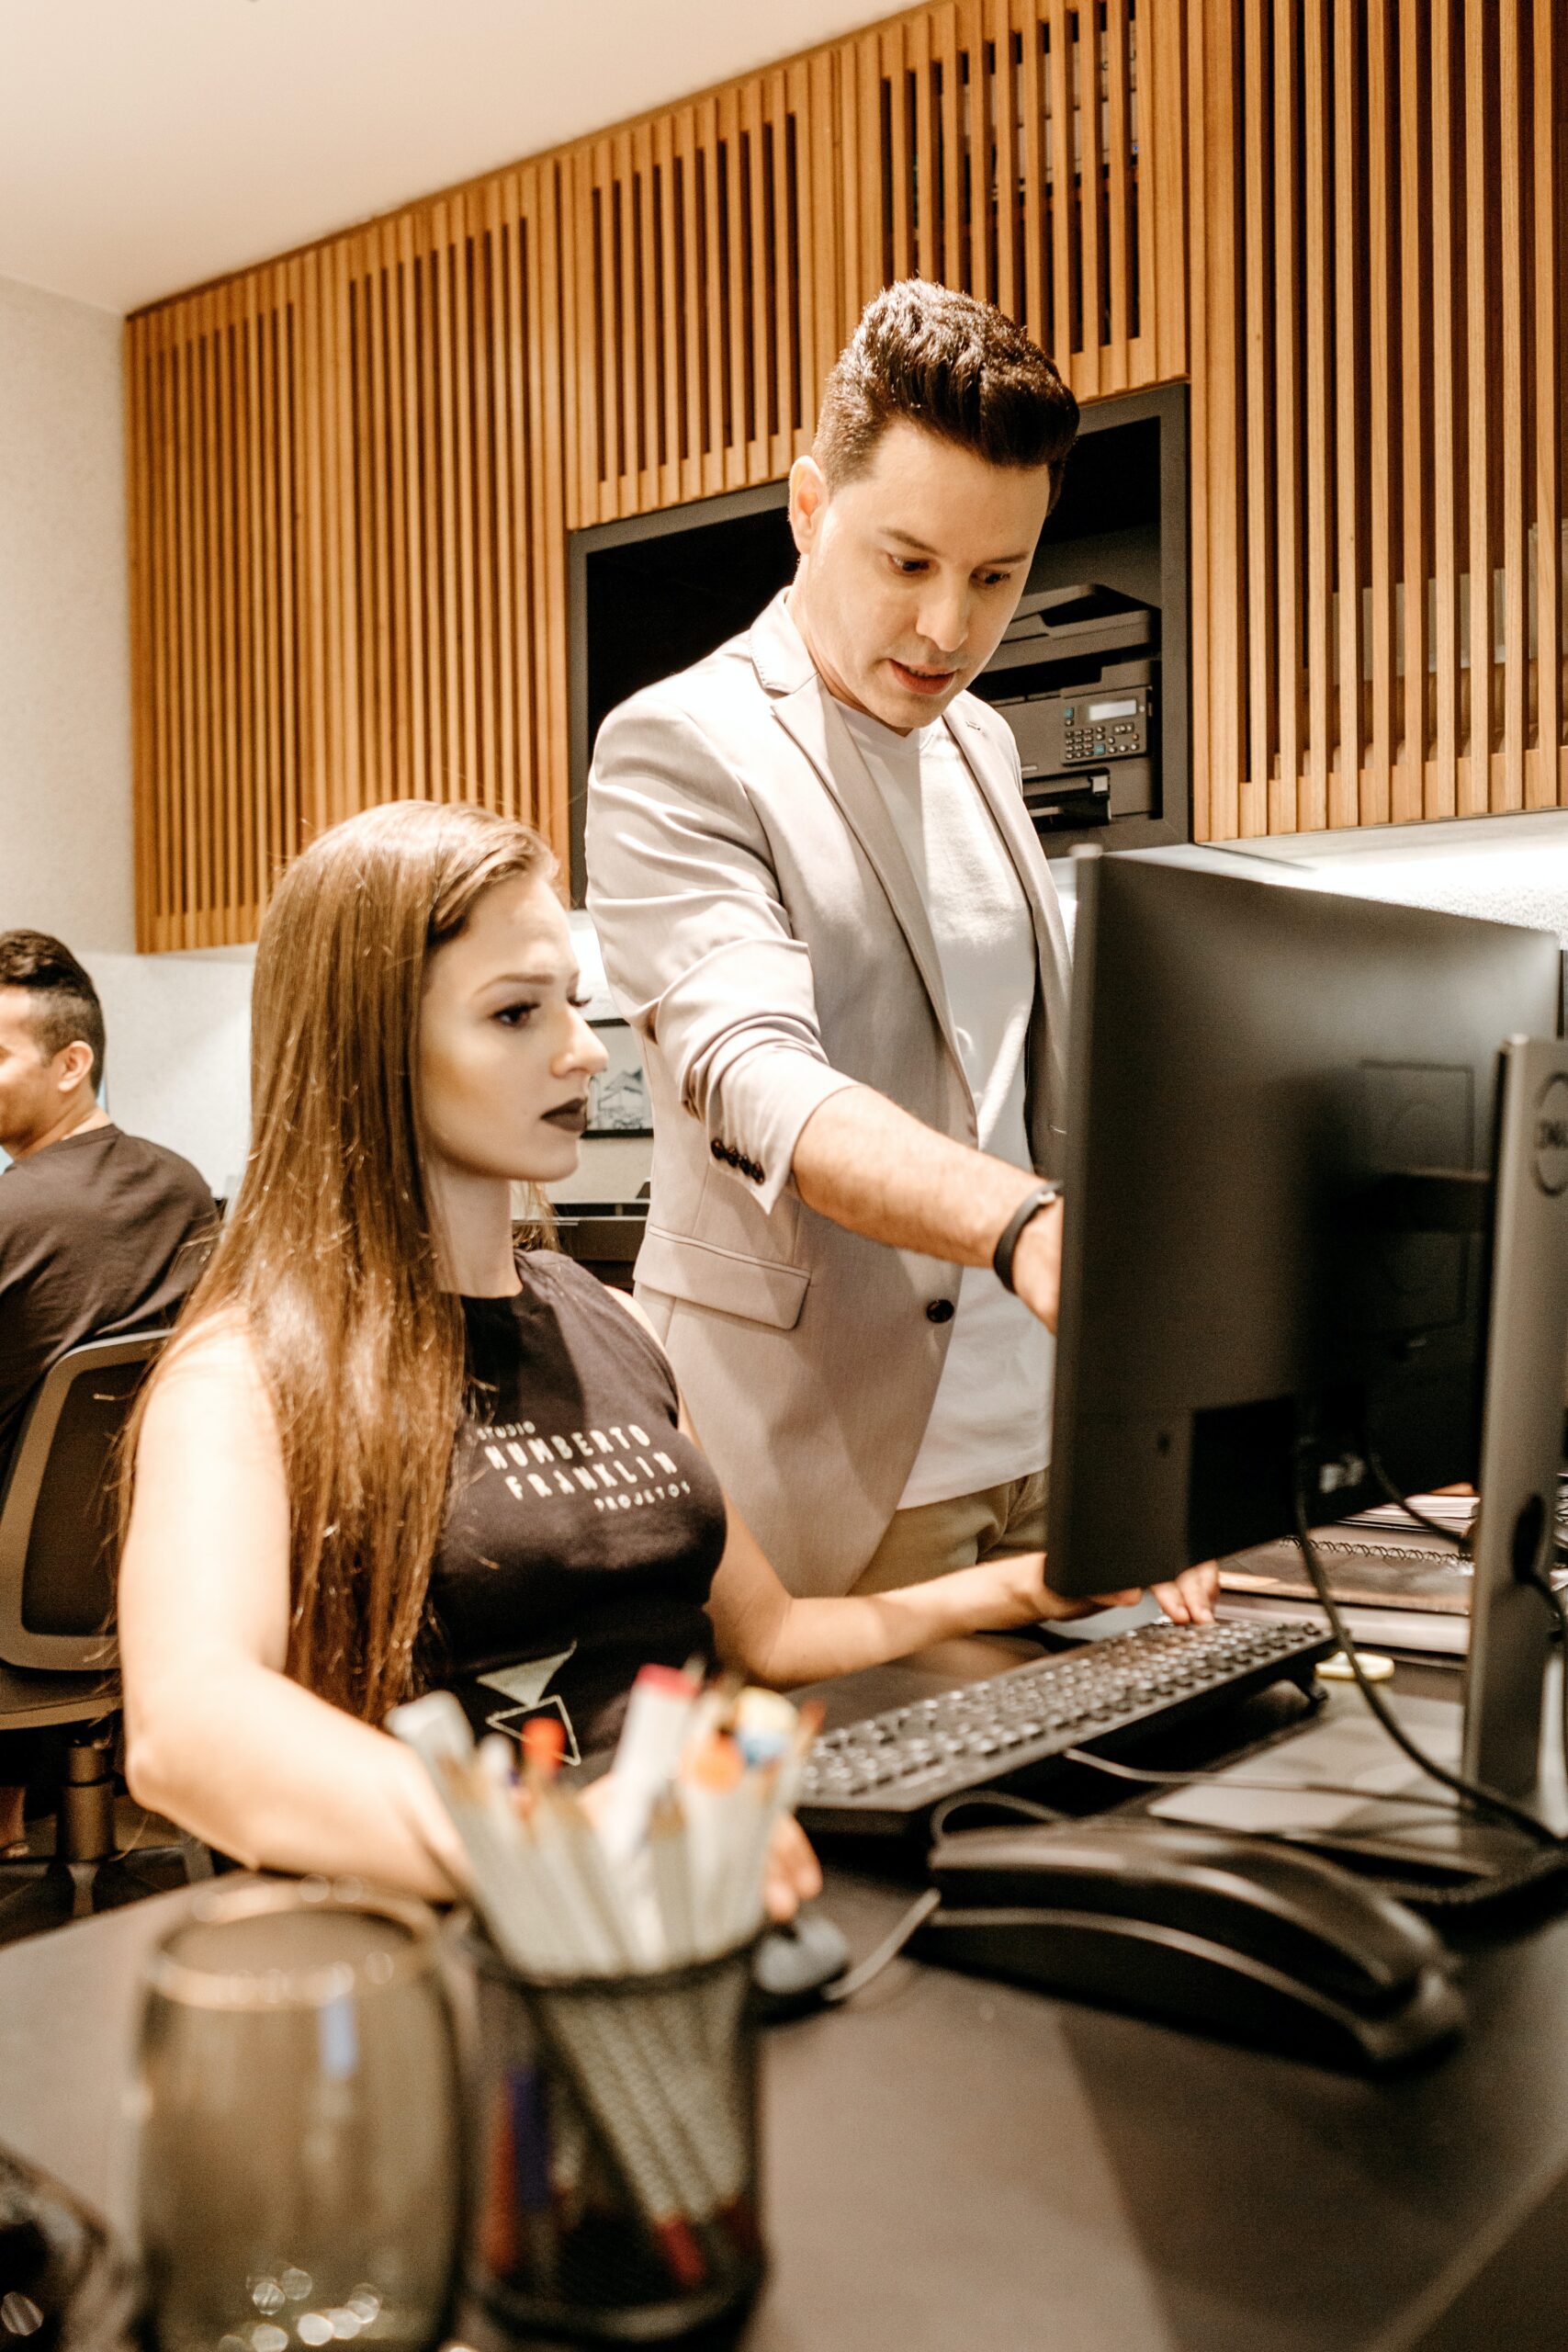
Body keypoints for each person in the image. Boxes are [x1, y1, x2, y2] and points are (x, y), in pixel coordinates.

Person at [118, 802, 1170, 1911]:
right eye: (516, 1012)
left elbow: (774, 1635)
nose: (583, 1050)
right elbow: (188, 1726)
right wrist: (554, 1841)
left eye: (572, 1003)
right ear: (369, 1042)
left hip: (694, 1892)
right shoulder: (244, 1374)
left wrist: (1034, 1586)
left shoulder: (606, 1317)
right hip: (470, 1941)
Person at [587, 281, 1218, 1621]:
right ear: (809, 507)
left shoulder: (979, 739)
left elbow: (1021, 1083)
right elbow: (753, 1074)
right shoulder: (679, 745)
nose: (948, 629)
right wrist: (1018, 1224)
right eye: (906, 561)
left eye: (996, 576)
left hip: (1044, 1435)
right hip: (834, 1466)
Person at [0, 931, 214, 1858]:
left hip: (16, 1597)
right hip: (157, 1575)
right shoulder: (184, 1186)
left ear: (71, 1063)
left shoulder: (14, 1214)